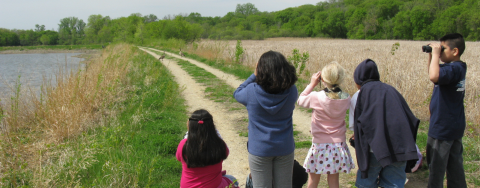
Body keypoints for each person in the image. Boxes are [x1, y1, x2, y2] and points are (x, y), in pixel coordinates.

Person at [234, 50, 298, 188]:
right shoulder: (292, 91)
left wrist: (254, 75)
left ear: (261, 70)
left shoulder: (251, 91)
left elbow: (237, 92)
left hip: (259, 149)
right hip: (284, 147)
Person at [353, 59, 419, 188]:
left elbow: (359, 125)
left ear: (358, 79)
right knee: (393, 184)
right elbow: (410, 118)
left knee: (366, 184)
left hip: (374, 150)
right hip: (401, 148)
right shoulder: (391, 90)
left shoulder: (362, 93)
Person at [297, 62, 355, 188]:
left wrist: (312, 84)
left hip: (319, 145)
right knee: (334, 182)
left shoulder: (316, 97)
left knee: (313, 181)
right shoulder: (346, 98)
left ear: (322, 79)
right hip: (338, 145)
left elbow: (300, 100)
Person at [426, 33, 467, 188]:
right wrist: (432, 55)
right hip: (455, 125)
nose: (440, 52)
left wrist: (436, 54)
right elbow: (433, 73)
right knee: (455, 167)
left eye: (443, 49)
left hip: (442, 127)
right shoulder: (458, 68)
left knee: (436, 168)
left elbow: (433, 76)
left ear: (455, 51)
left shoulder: (453, 69)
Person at [176, 109, 238, 188]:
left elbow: (178, 157)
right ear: (212, 126)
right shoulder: (219, 144)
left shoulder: (184, 145)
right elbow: (226, 153)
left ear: (190, 126)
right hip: (215, 186)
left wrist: (189, 132)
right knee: (232, 179)